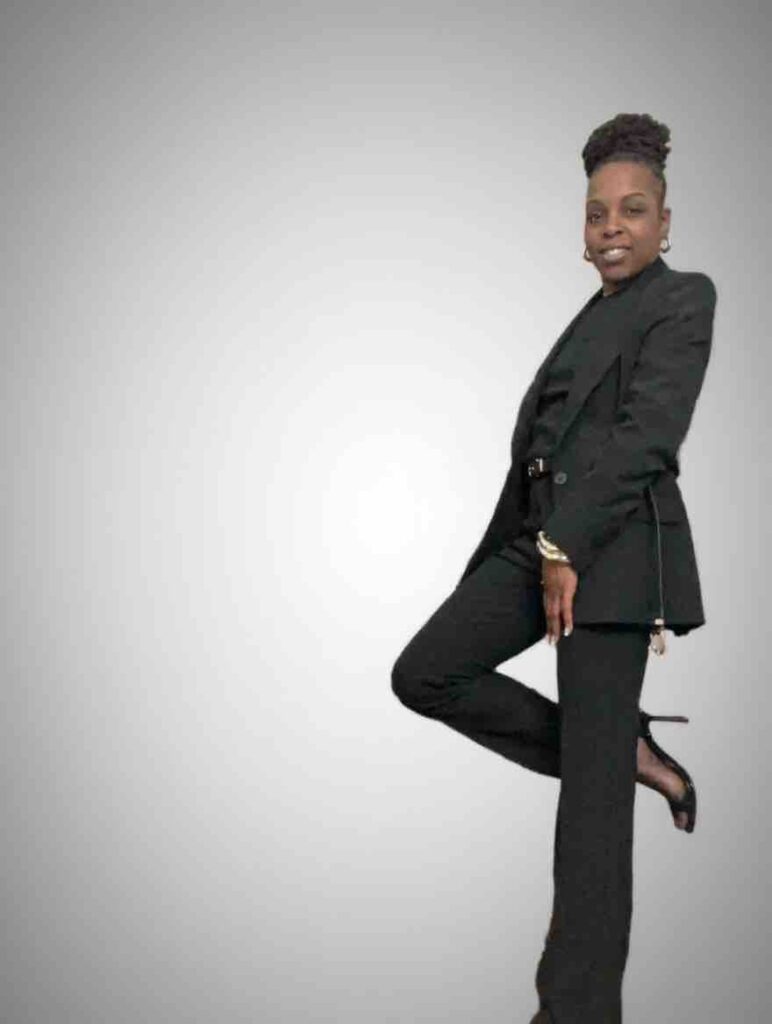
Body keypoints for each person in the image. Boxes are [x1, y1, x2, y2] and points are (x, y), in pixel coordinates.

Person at [390, 112, 717, 1024]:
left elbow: (647, 438)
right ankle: (619, 750)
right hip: (535, 540)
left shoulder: (683, 299)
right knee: (425, 673)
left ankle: (575, 1011)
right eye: (596, 213)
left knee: (589, 820)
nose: (612, 227)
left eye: (632, 210)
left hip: (611, 551)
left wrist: (567, 545)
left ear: (664, 223)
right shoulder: (590, 316)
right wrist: (540, 544)